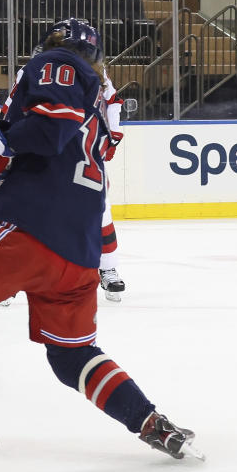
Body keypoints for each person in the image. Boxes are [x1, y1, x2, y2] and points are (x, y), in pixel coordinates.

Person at [0, 18, 203, 461]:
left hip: (31, 232)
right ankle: (151, 422)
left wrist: (2, 142)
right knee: (70, 357)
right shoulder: (95, 99)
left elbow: (46, 132)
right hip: (80, 252)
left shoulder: (57, 65)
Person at [96, 63, 127, 302]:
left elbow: (113, 100)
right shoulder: (36, 69)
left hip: (89, 151)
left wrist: (113, 134)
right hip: (51, 149)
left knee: (103, 212)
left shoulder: (96, 68)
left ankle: (108, 268)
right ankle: (15, 277)